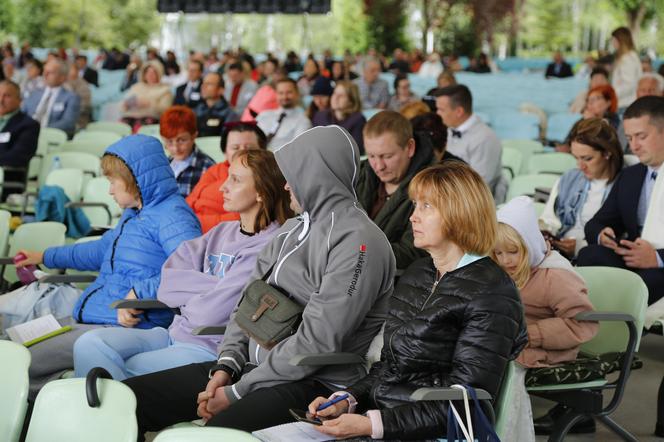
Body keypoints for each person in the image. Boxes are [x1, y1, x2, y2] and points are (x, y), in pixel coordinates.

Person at [124, 125, 396, 438]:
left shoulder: (359, 242)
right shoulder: (290, 230)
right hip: (250, 372)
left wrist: (238, 392)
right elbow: (246, 306)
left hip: (313, 383)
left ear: (316, 176)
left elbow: (318, 341)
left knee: (209, 435)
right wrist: (225, 367)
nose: (285, 184)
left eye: (294, 174)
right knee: (125, 401)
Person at [307, 161, 527, 440]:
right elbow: (390, 367)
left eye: (426, 207)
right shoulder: (419, 273)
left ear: (460, 213)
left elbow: (465, 404)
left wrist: (371, 425)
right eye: (415, 205)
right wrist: (345, 400)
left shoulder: (492, 293)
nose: (413, 217)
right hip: (388, 422)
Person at [73, 149, 292, 380]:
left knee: (108, 372)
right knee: (89, 344)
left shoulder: (268, 245)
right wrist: (214, 287)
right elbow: (167, 281)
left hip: (208, 348)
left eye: (235, 180)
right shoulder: (222, 231)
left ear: (261, 192)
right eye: (227, 176)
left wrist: (189, 294)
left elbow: (209, 314)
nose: (222, 187)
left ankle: (126, 413)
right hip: (171, 334)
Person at [12, 135, 201, 393]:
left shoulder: (172, 216)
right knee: (12, 342)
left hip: (124, 325)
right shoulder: (134, 213)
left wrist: (139, 292)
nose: (110, 190)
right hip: (95, 314)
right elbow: (100, 250)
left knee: (17, 361)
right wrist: (44, 256)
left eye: (113, 182)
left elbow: (191, 269)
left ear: (134, 180)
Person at [494, 196, 598, 438]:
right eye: (498, 253)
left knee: (504, 367)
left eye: (513, 252)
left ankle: (509, 433)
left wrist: (530, 335)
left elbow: (581, 323)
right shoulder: (499, 270)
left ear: (530, 245)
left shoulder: (556, 276)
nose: (505, 260)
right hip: (513, 340)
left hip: (551, 347)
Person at [577, 96, 664, 305]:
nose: (633, 146)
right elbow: (596, 224)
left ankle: (614, 324)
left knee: (647, 281)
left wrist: (657, 258)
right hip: (632, 259)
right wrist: (602, 235)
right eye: (629, 137)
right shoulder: (631, 176)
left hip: (659, 266)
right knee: (589, 254)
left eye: (641, 136)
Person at [356, 110, 435, 269]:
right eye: (371, 156)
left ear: (410, 148)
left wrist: (355, 252)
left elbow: (414, 252)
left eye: (387, 156)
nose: (379, 166)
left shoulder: (432, 188)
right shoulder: (358, 174)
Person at [541, 118, 624, 259]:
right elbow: (549, 220)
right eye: (576, 158)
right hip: (559, 254)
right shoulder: (568, 178)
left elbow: (622, 239)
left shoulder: (627, 183)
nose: (580, 166)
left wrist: (579, 247)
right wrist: (549, 236)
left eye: (587, 158)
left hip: (599, 258)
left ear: (607, 153)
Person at [187, 123, 267, 233]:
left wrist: (194, 222)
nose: (242, 152)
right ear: (225, 151)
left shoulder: (265, 176)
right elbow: (190, 201)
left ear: (262, 150)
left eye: (249, 148)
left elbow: (240, 218)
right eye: (235, 147)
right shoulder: (214, 170)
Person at [434, 85, 503, 199]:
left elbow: (478, 186)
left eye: (441, 110)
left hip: (472, 206)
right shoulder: (449, 129)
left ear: (459, 111)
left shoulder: (485, 138)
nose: (437, 114)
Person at [160, 106, 215, 198]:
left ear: (194, 136)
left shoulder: (208, 168)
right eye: (169, 141)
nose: (175, 148)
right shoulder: (162, 165)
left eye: (182, 140)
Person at [21, 58, 80, 137]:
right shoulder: (34, 92)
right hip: (26, 134)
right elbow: (21, 114)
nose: (45, 75)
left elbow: (68, 123)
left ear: (62, 77)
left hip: (51, 136)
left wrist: (40, 130)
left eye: (50, 72)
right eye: (44, 71)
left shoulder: (71, 97)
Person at [0, 80, 40, 197]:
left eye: (7, 96)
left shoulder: (28, 125)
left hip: (7, 182)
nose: (1, 100)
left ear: (19, 100)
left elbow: (16, 158)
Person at [256, 78, 311, 150]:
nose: (284, 97)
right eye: (281, 93)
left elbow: (298, 149)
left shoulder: (303, 121)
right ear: (276, 94)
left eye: (289, 92)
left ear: (297, 93)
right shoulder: (263, 115)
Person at [312, 80, 366, 153]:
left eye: (341, 96)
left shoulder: (358, 119)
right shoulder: (320, 115)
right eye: (334, 93)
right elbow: (313, 143)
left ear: (351, 101)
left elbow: (357, 149)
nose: (335, 98)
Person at [121, 61, 173, 130]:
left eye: (154, 72)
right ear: (144, 74)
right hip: (130, 116)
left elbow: (165, 110)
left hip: (150, 119)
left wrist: (149, 104)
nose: (150, 75)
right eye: (148, 72)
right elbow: (123, 106)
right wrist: (126, 104)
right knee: (120, 127)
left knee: (139, 128)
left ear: (159, 74)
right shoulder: (136, 87)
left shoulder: (165, 90)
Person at [193, 72, 238, 138]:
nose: (203, 86)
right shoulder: (197, 109)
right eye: (203, 83)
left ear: (221, 90)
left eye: (209, 84)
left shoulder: (229, 113)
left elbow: (226, 139)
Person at [610, 27, 642, 110]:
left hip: (625, 104)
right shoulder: (628, 57)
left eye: (614, 40)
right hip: (624, 103)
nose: (612, 43)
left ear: (621, 40)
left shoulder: (628, 58)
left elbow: (629, 84)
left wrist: (611, 95)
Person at [64, 62, 91, 130]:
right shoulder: (62, 82)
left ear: (77, 71)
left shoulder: (83, 85)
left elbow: (83, 107)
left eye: (70, 69)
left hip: (78, 121)